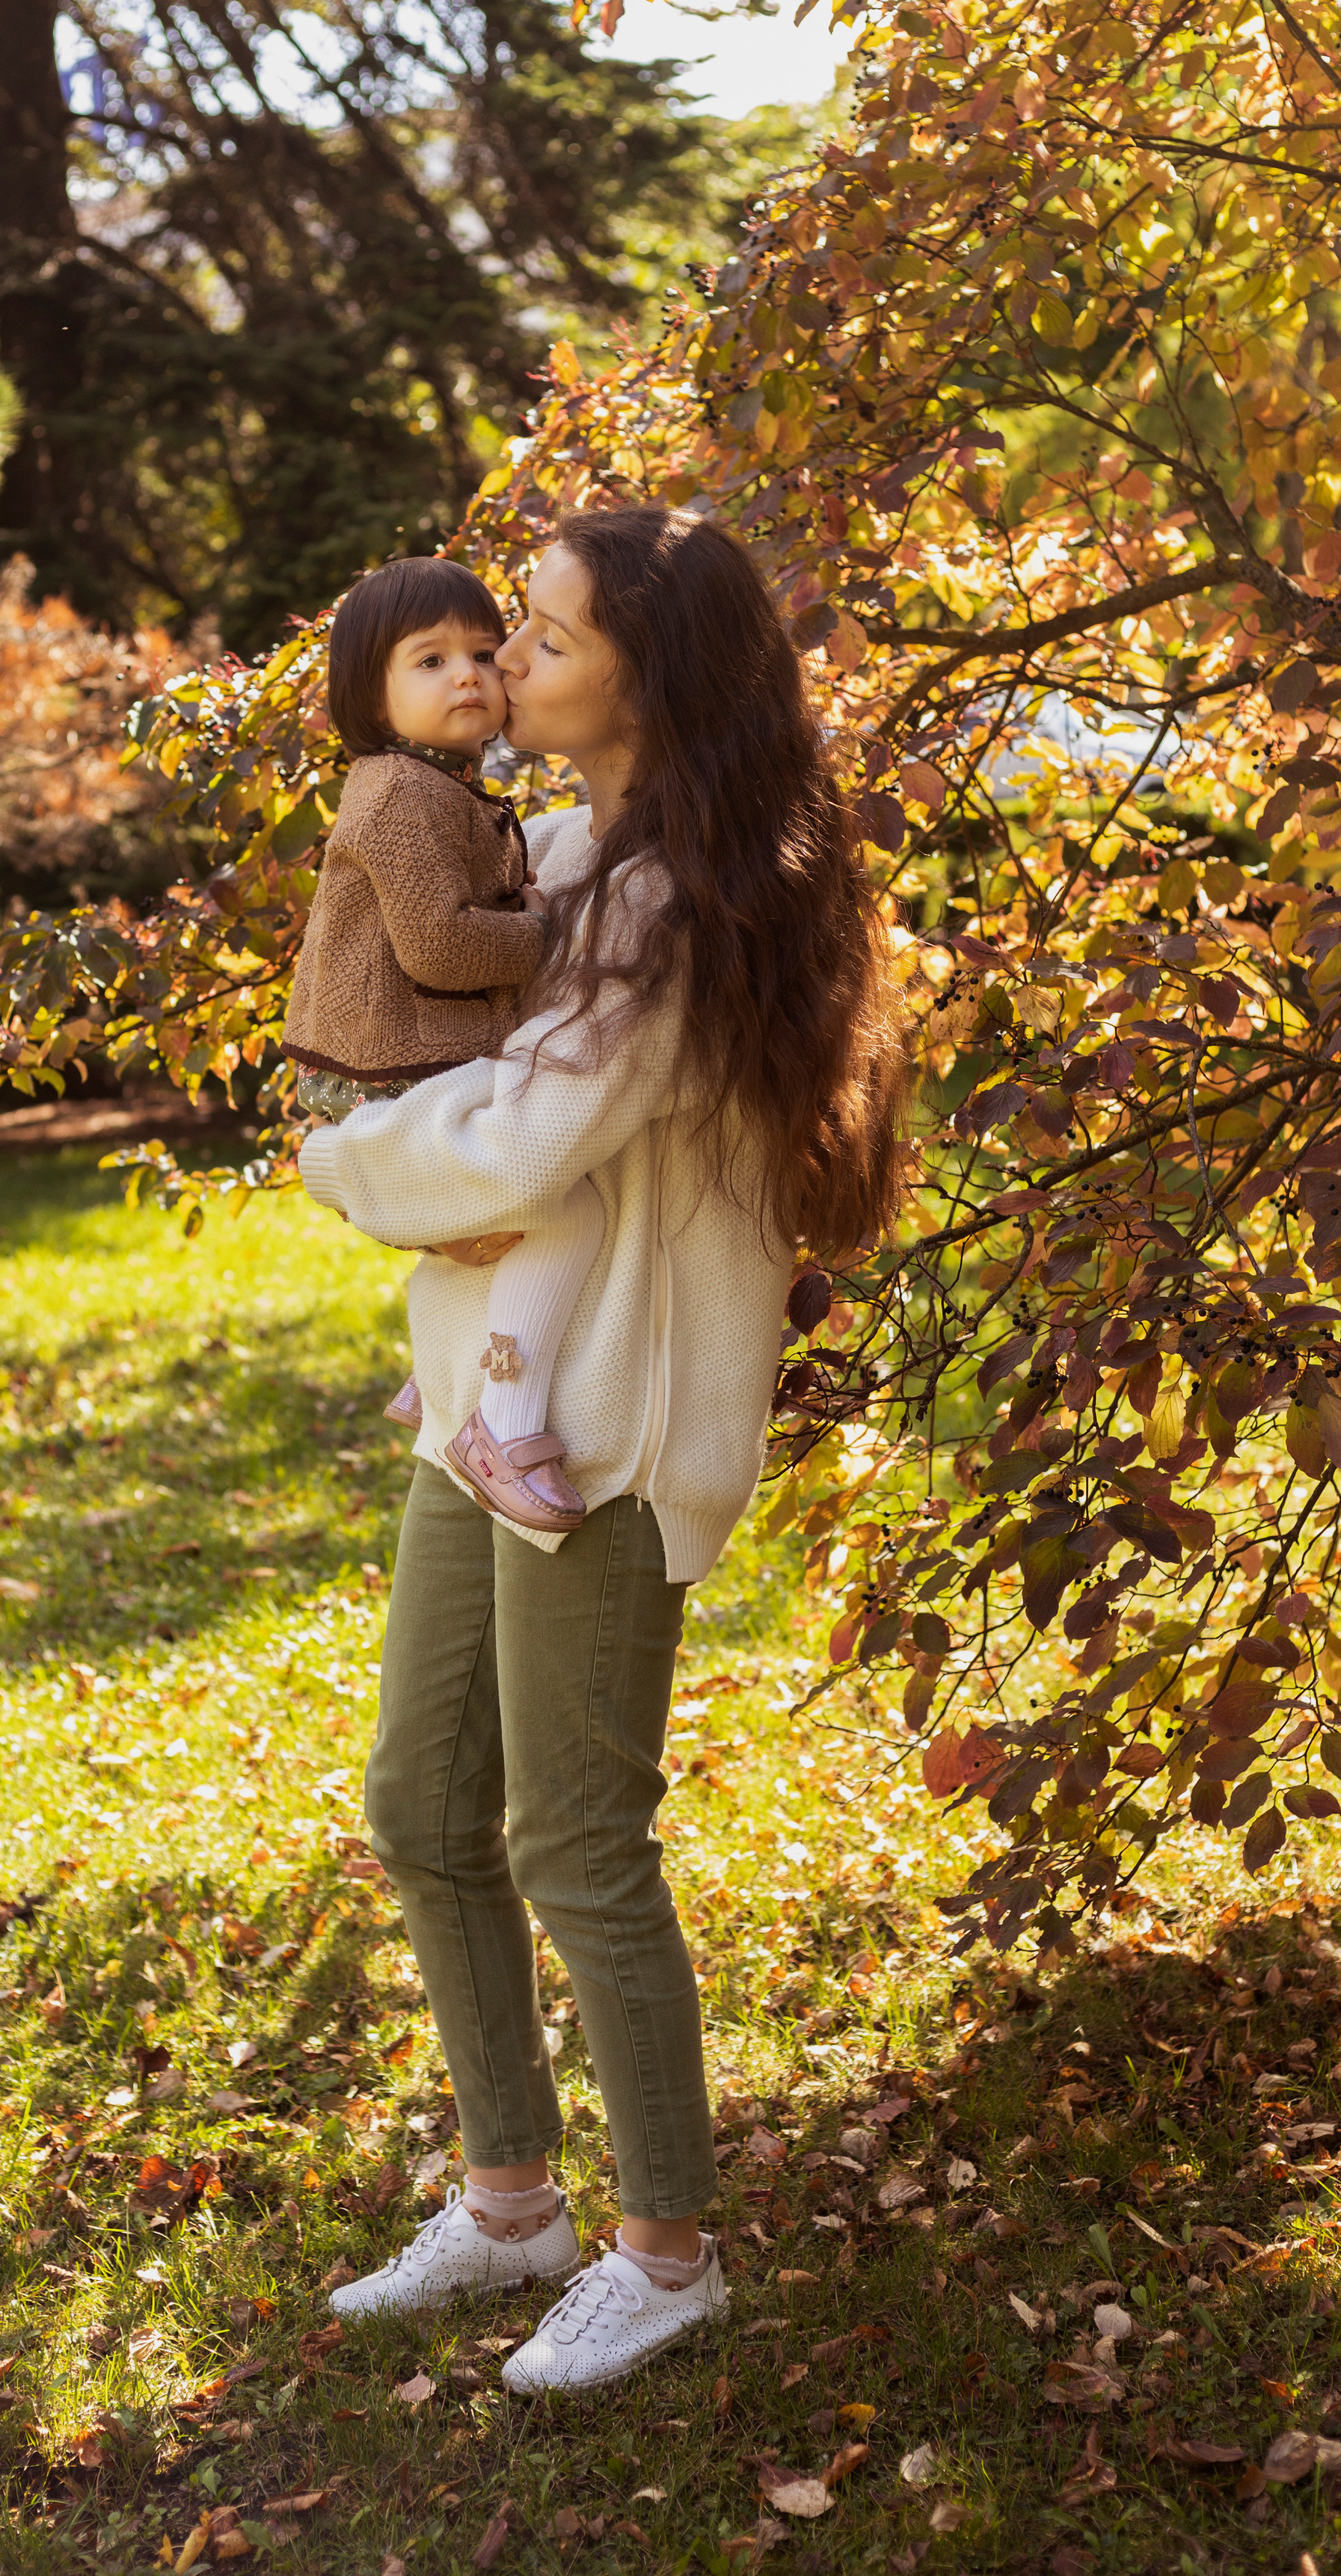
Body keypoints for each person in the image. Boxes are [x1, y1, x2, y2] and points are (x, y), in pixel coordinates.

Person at [295, 505, 904, 2393]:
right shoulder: (582, 856)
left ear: (646, 668)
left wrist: (327, 1156)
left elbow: (505, 1144)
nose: (508, 663)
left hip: (606, 1428)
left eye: (545, 633)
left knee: (571, 1837)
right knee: (420, 1808)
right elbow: (428, 992)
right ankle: (509, 2206)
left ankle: (665, 2249)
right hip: (489, 1413)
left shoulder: (673, 895)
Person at [280, 555, 605, 1535]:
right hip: (384, 1062)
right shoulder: (401, 797)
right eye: (429, 661)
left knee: (488, 1227)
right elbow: (438, 945)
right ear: (371, 699)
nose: (467, 675)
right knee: (563, 1211)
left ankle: (446, 1372)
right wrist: (547, 935)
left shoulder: (441, 788)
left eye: (480, 651)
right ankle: (499, 1423)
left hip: (402, 1056)